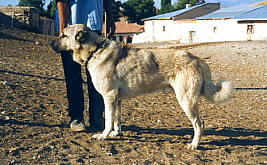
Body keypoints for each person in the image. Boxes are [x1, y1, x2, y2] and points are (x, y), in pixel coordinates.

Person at [55, 0, 115, 131]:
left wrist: (110, 17)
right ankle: (76, 118)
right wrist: (63, 30)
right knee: (73, 76)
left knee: (98, 76)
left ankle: (97, 117)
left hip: (94, 27)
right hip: (71, 30)